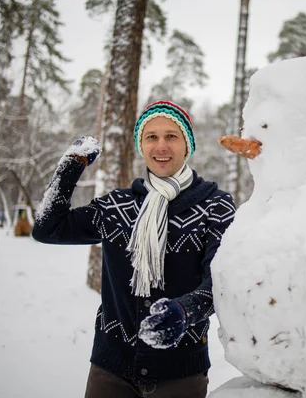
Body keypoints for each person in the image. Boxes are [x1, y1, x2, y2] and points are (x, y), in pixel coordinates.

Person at [32, 100, 236, 398]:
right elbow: (48, 228)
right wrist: (70, 168)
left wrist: (185, 310)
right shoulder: (118, 206)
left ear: (187, 144)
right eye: (151, 137)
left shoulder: (215, 206)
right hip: (109, 372)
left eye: (171, 136)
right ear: (141, 145)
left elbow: (220, 280)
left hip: (181, 374)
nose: (161, 146)